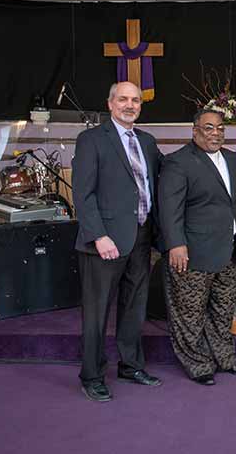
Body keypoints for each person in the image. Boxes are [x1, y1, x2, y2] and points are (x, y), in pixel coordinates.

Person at [158, 109, 236, 386]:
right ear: (195, 130)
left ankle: (226, 359)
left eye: (220, 128)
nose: (215, 133)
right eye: (208, 128)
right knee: (189, 313)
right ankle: (198, 365)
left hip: (228, 251)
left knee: (222, 310)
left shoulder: (233, 160)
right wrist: (176, 244)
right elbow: (169, 209)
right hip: (193, 252)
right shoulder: (178, 162)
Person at [72, 81, 163, 402]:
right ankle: (92, 375)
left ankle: (131, 365)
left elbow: (161, 182)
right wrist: (98, 235)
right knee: (96, 313)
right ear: (110, 103)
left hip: (140, 237)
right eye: (123, 99)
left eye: (135, 100)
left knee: (134, 308)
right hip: (104, 242)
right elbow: (82, 195)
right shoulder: (91, 140)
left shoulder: (148, 142)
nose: (130, 105)